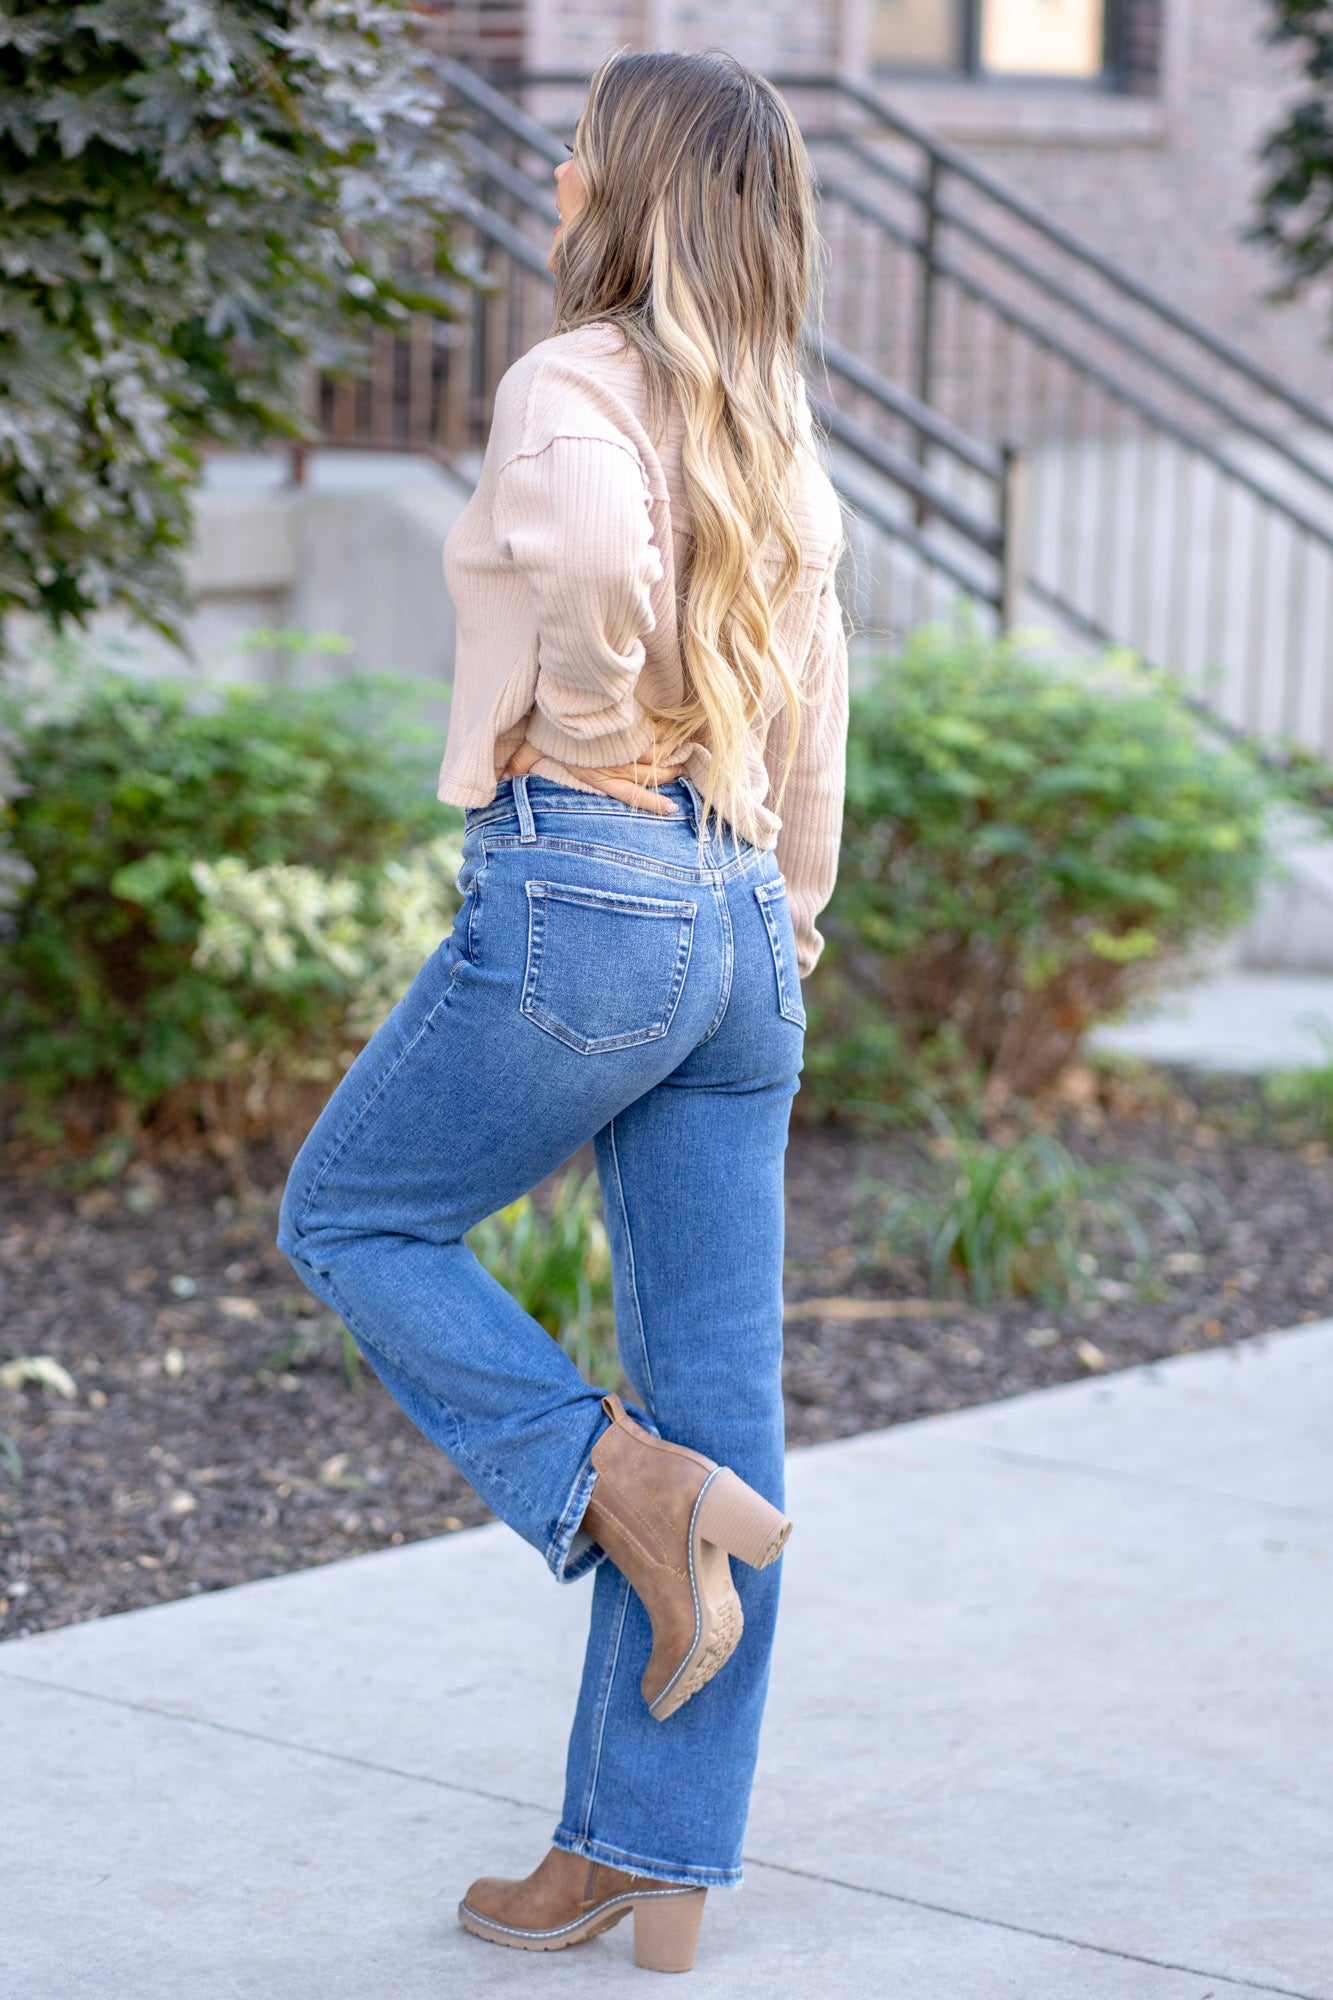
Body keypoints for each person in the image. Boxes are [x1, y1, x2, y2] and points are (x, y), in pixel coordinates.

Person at [275, 43, 849, 1977]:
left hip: (590, 877)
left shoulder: (571, 382)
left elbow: (595, 561)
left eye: (578, 154)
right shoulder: (765, 408)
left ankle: (618, 1483)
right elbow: (816, 706)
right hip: (742, 916)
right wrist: (788, 916)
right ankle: (647, 1865)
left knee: (352, 1215)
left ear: (632, 190)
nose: (551, 182)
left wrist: (595, 731)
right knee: (724, 1403)